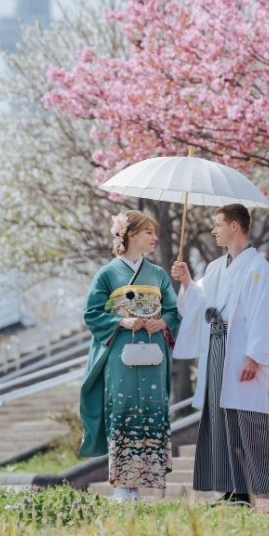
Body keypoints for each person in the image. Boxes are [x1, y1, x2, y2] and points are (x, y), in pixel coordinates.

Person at [171, 203, 269, 506]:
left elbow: (266, 314)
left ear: (235, 226)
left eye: (218, 224)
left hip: (241, 352)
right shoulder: (216, 267)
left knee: (243, 419)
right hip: (217, 348)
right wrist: (185, 282)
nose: (213, 230)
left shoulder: (259, 269)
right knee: (218, 419)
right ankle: (229, 490)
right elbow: (201, 300)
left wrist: (256, 357)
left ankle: (245, 492)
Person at [79, 210, 181, 502]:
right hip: (121, 353)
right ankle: (123, 485)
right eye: (149, 233)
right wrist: (121, 321)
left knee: (152, 409)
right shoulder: (108, 274)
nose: (154, 238)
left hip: (152, 354)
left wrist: (161, 322)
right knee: (121, 411)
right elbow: (92, 312)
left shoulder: (159, 274)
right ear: (132, 234)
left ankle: (148, 477)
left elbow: (173, 312)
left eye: (154, 233)